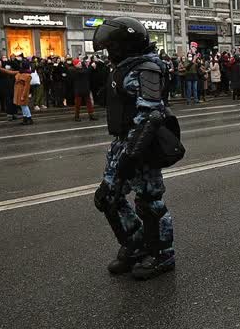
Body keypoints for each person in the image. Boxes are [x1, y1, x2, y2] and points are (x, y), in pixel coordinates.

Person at [92, 17, 177, 280]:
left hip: (142, 146)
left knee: (150, 202)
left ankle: (163, 254)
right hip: (121, 143)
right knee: (107, 197)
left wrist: (132, 153)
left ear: (125, 45)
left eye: (112, 47)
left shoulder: (146, 68)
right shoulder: (122, 67)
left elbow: (150, 115)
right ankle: (136, 244)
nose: (109, 52)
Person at [0, 60, 34, 125]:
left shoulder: (28, 75)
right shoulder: (19, 72)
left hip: (23, 93)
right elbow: (9, 72)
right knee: (22, 107)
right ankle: (25, 119)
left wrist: (23, 96)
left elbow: (26, 87)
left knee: (25, 106)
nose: (20, 66)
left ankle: (29, 118)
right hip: (18, 93)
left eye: (22, 65)